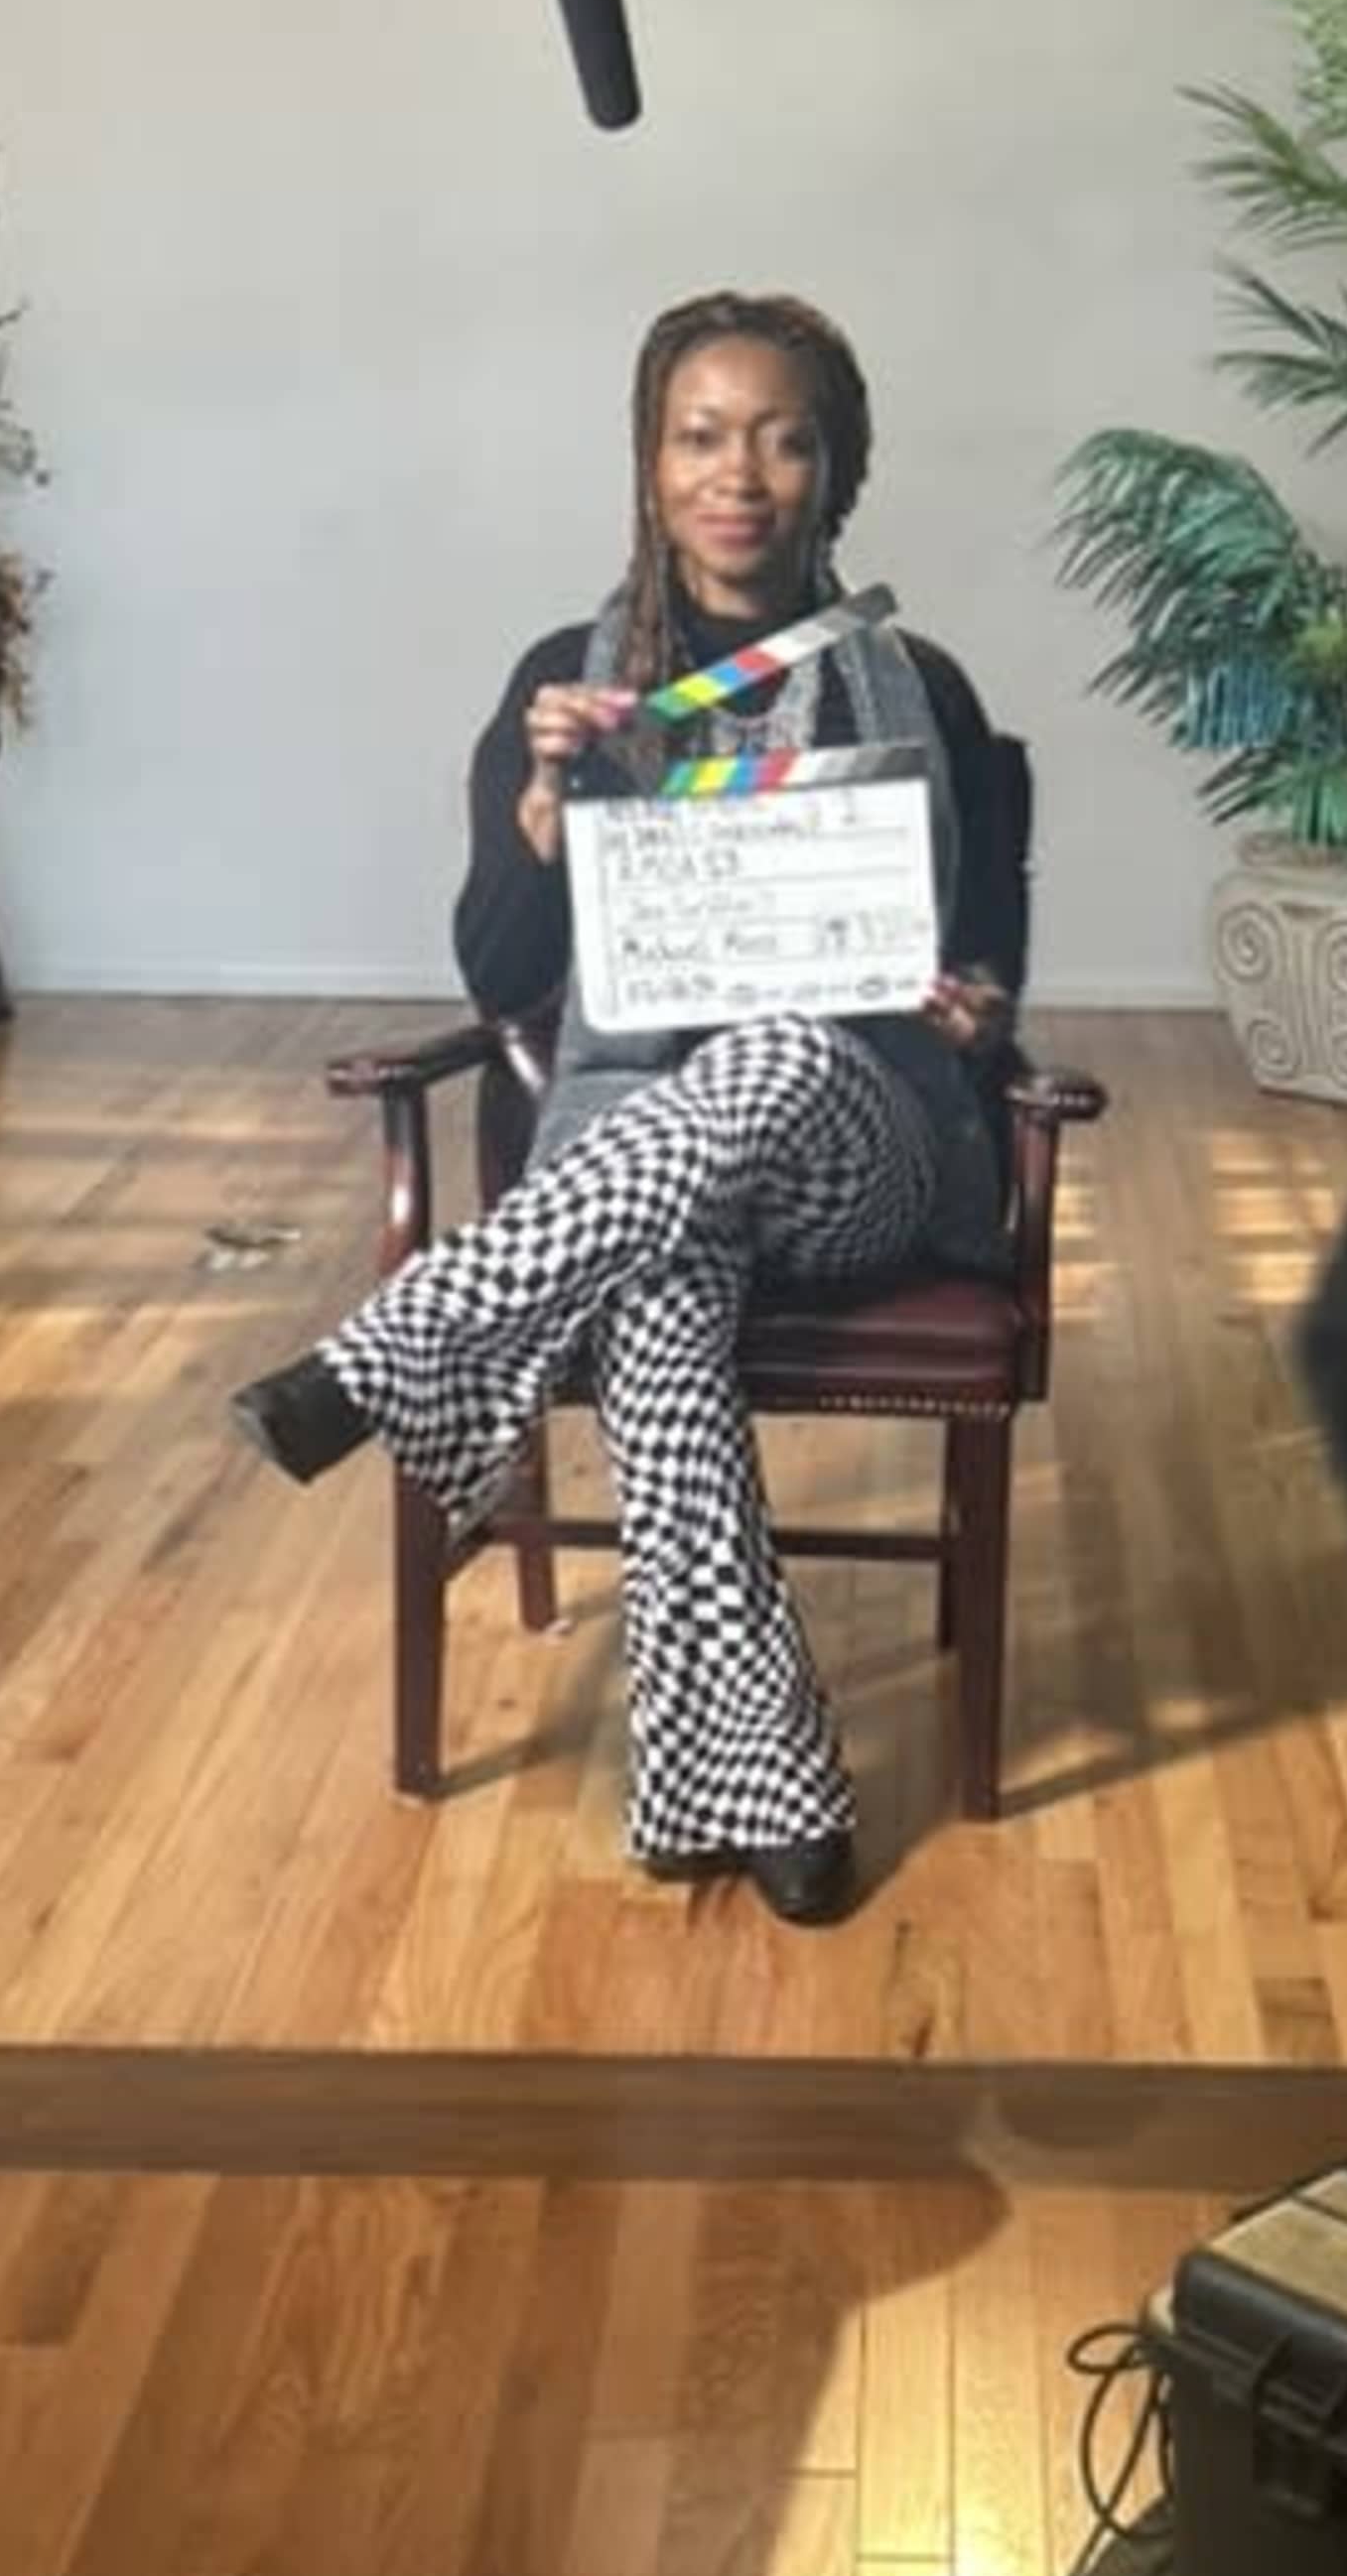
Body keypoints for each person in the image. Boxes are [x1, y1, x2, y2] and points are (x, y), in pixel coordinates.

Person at [230, 291, 1022, 1929]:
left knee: (785, 1054)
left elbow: (987, 960)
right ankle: (764, 1784)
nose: (742, 472)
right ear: (652, 465)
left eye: (784, 436)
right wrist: (542, 813)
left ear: (836, 468)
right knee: (658, 1295)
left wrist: (975, 1000)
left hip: (861, 1143)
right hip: (640, 1163)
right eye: (701, 434)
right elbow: (496, 970)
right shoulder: (565, 689)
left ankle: (404, 1341)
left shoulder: (919, 686)